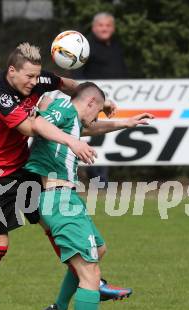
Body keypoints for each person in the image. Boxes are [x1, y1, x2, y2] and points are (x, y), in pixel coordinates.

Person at [0, 42, 128, 310]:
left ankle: (87, 281)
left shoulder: (38, 79)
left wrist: (101, 102)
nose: (33, 83)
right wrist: (71, 141)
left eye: (37, 77)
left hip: (21, 168)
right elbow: (30, 128)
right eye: (28, 77)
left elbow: (70, 84)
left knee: (53, 223)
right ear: (12, 71)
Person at [25, 82, 153, 310]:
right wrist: (72, 141)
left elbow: (90, 128)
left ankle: (58, 309)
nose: (95, 121)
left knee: (99, 249)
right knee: (90, 273)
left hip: (67, 199)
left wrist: (126, 123)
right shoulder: (63, 109)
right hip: (57, 199)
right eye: (96, 112)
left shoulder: (73, 120)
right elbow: (37, 125)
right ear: (92, 102)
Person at [73, 12, 128, 184]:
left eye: (108, 25)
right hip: (91, 103)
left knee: (110, 135)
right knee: (93, 137)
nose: (104, 29)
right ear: (93, 27)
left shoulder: (117, 46)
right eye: (101, 25)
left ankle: (102, 179)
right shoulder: (85, 46)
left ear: (113, 27)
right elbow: (77, 75)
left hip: (115, 103)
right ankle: (97, 180)